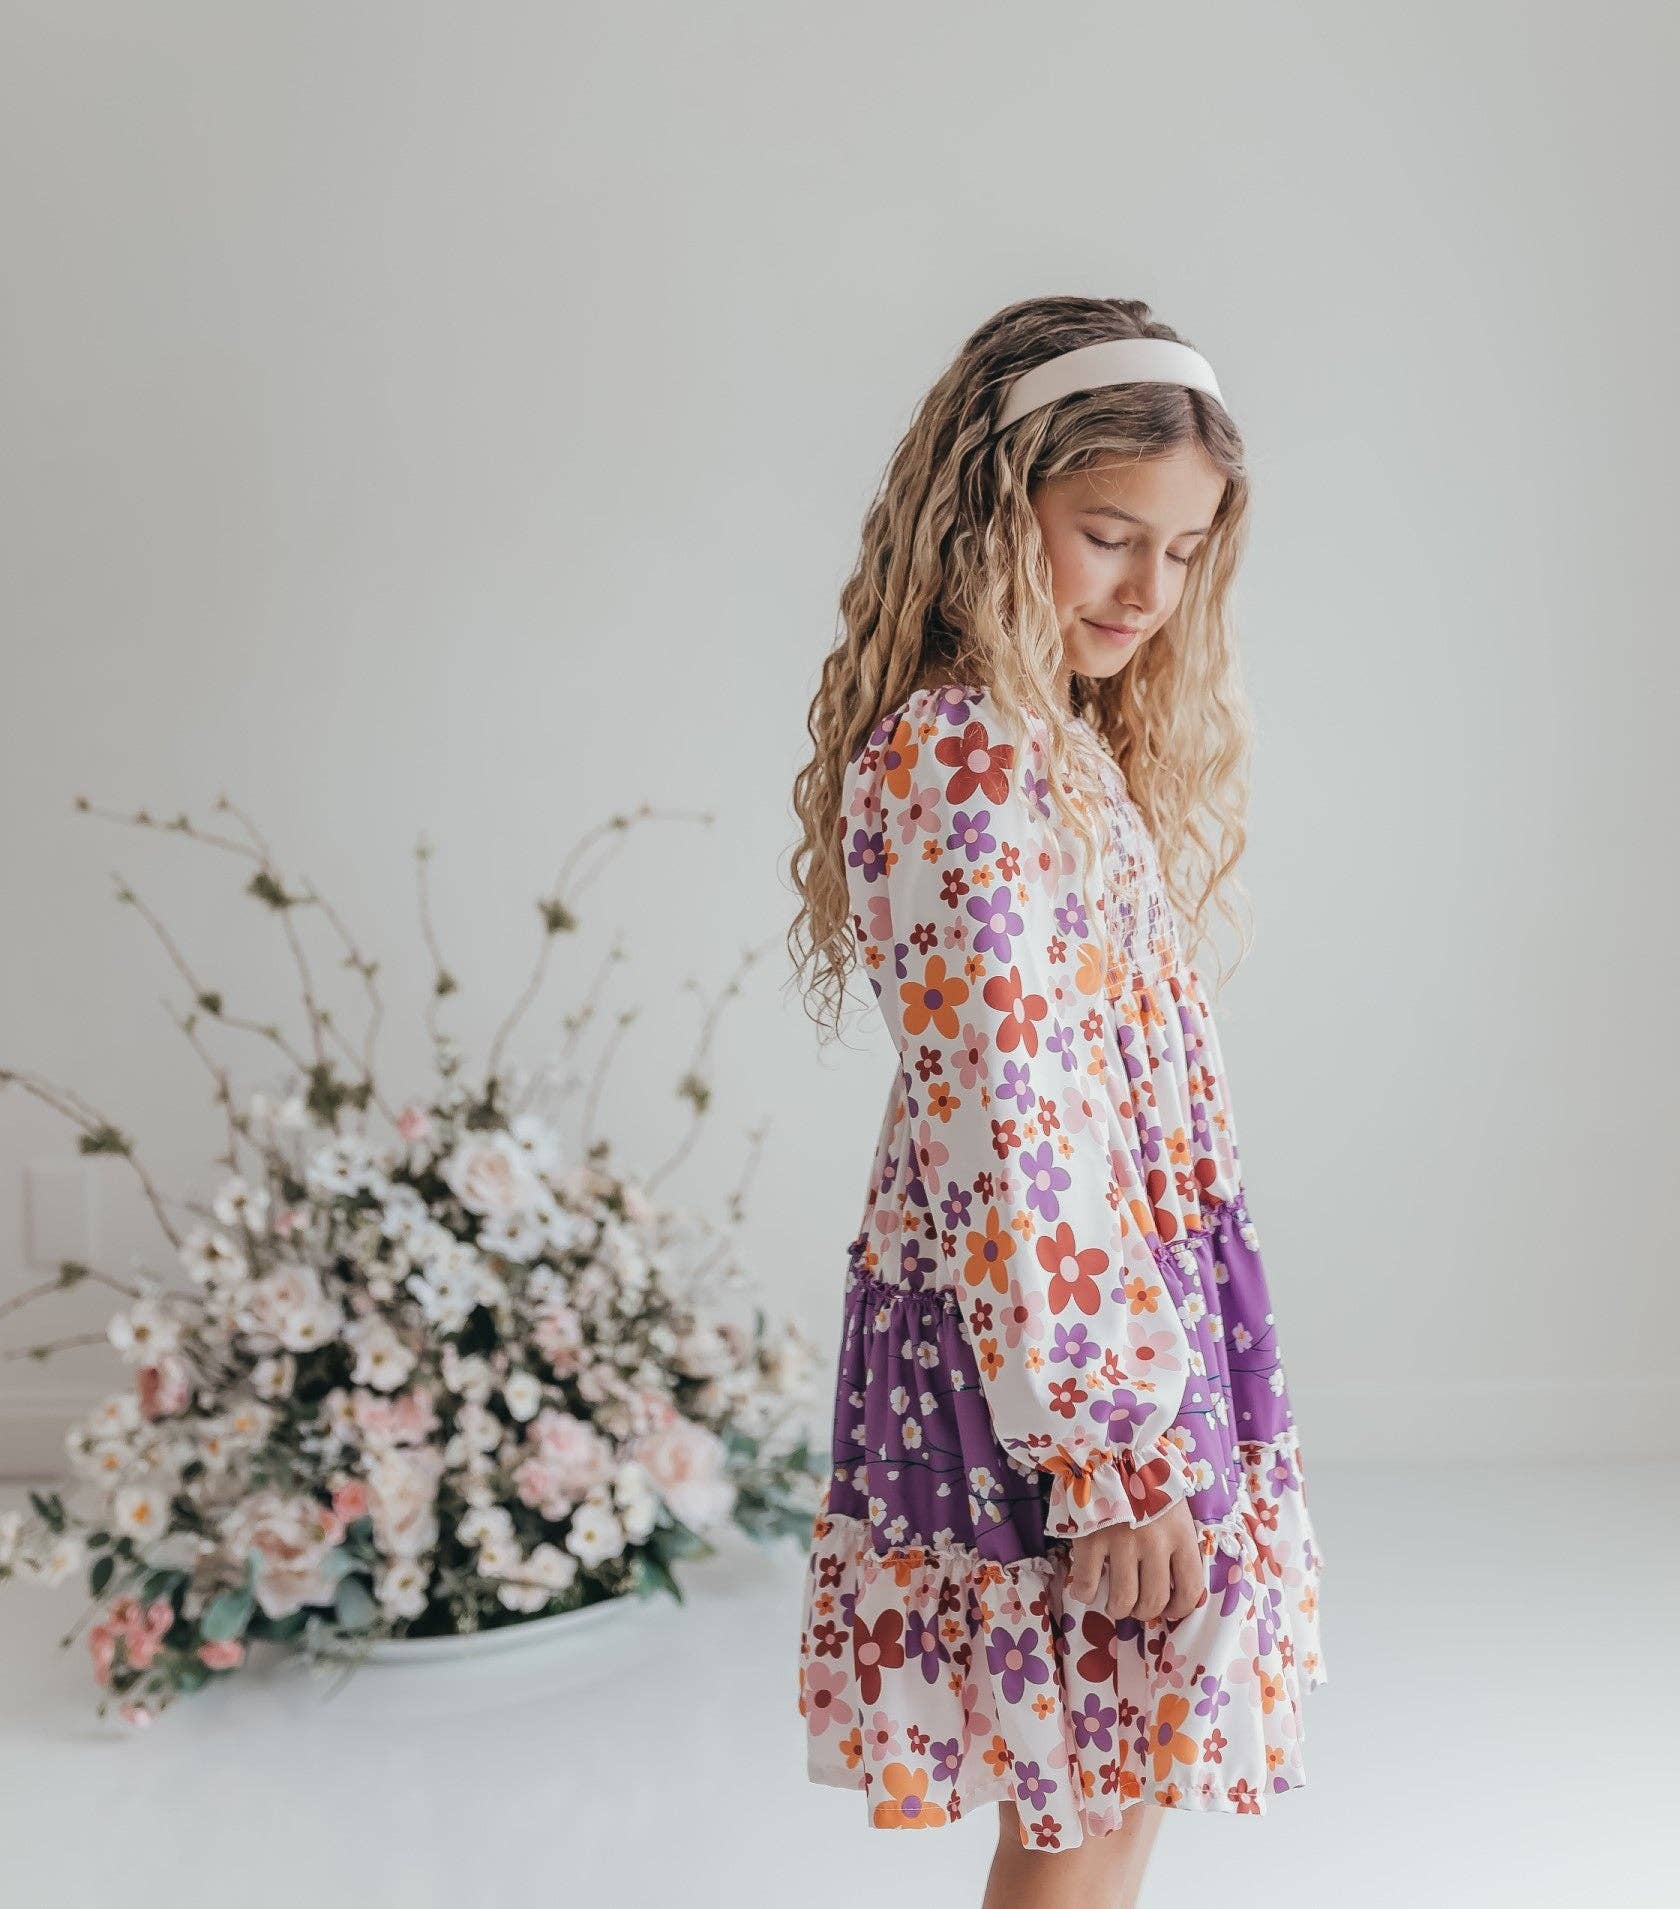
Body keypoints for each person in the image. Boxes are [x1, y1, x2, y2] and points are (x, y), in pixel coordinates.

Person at [784, 296, 1328, 1906]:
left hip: (1127, 1317)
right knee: (1085, 1800)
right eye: (1107, 535)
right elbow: (1015, 1125)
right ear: (992, 502)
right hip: (1067, 1355)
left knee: (1117, 1772)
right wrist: (1110, 1452)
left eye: (1183, 552)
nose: (1147, 591)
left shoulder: (1049, 745)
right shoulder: (957, 760)